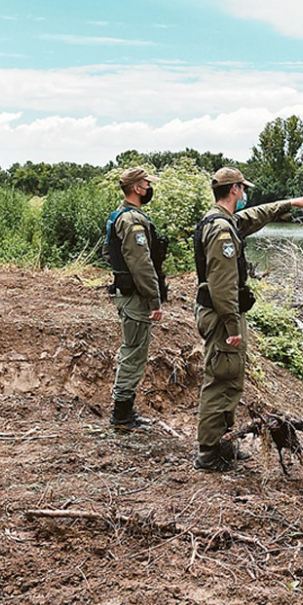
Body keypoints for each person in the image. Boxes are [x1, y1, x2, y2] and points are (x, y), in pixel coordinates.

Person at [192, 166, 303, 472]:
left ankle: (224, 443)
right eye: (242, 188)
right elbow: (222, 285)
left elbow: (256, 216)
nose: (245, 193)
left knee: (230, 379)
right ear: (234, 189)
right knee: (220, 380)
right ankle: (209, 452)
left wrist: (289, 204)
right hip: (223, 317)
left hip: (223, 316)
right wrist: (233, 326)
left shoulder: (223, 220)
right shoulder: (221, 229)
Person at [106, 167, 169, 429]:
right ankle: (121, 415)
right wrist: (154, 300)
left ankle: (125, 412)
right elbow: (141, 264)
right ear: (136, 188)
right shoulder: (131, 220)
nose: (149, 188)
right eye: (146, 184)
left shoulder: (124, 216)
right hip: (135, 298)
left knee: (133, 351)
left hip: (130, 295)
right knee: (133, 353)